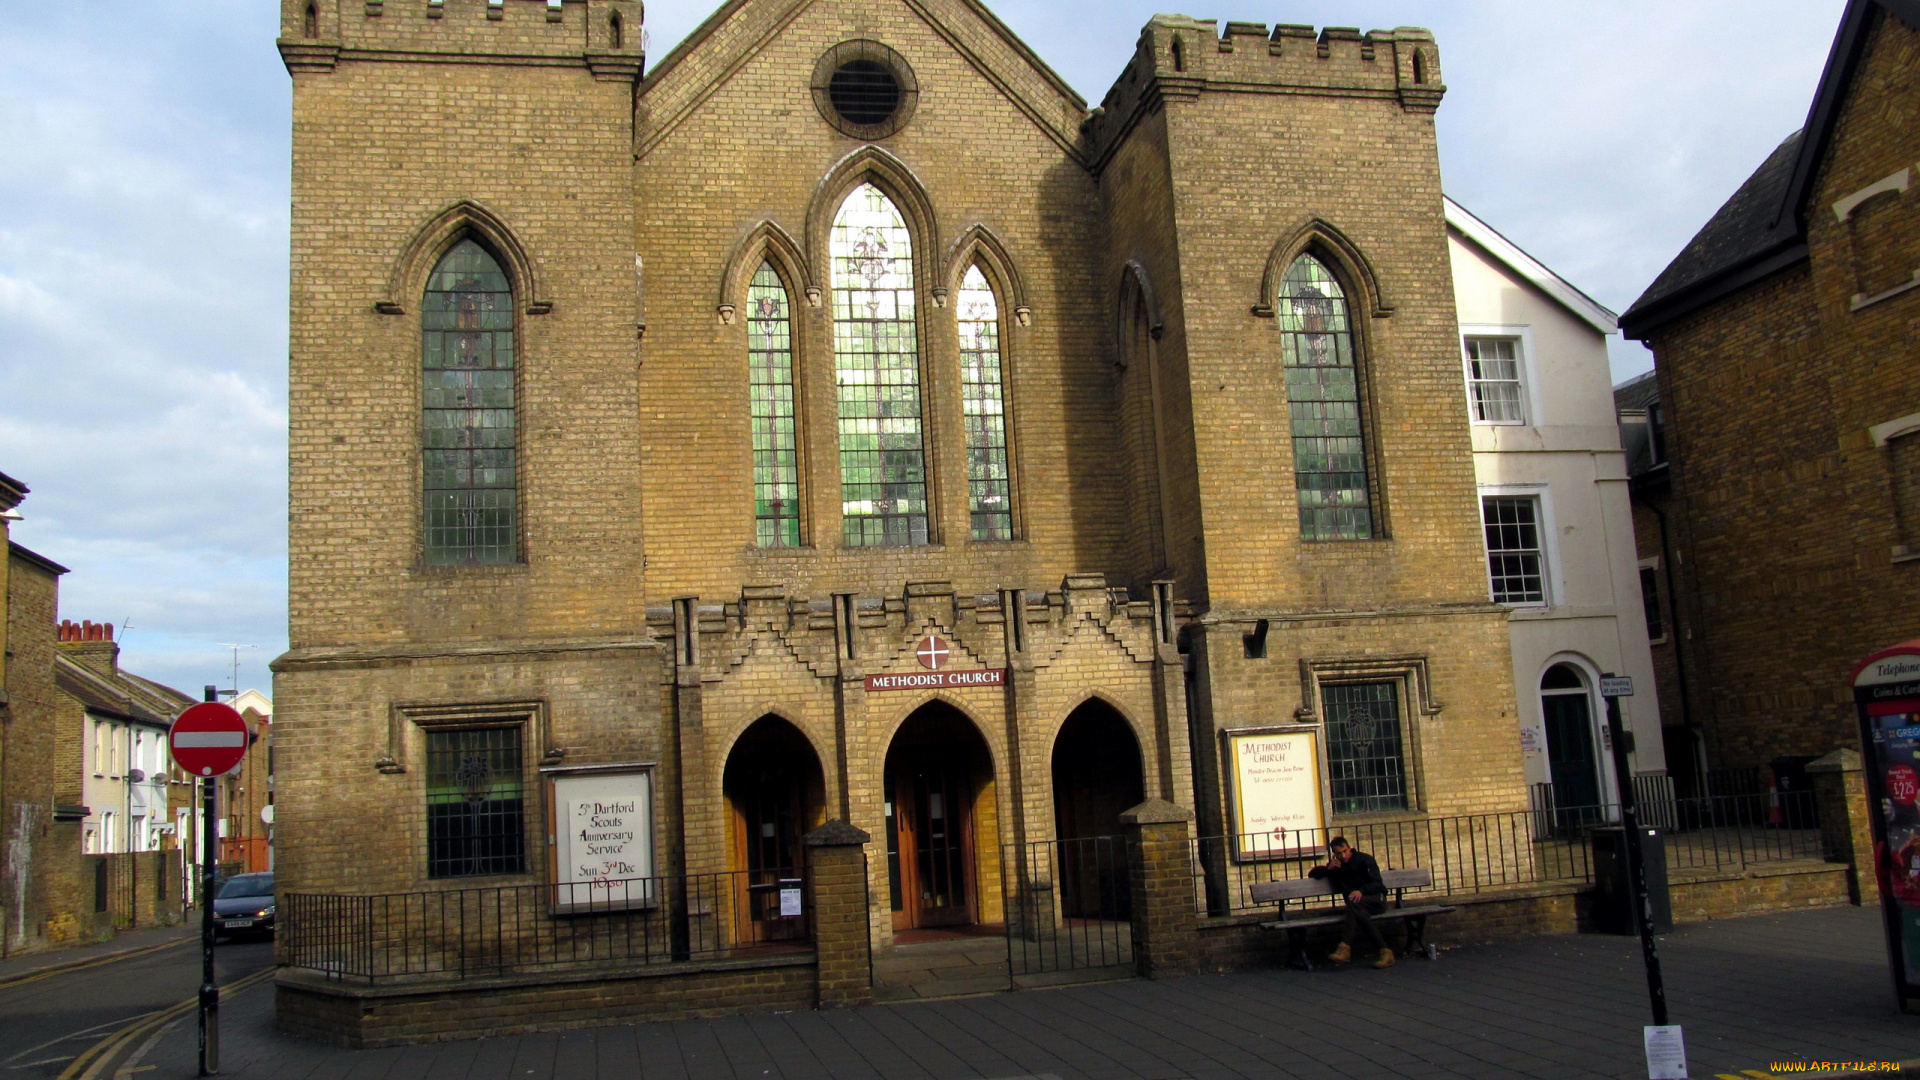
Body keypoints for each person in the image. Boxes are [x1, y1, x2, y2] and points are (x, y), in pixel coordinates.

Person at [1307, 836, 1394, 968]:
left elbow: (1378, 884)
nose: (1343, 855)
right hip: (1357, 906)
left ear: (1349, 848)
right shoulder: (1337, 867)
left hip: (1376, 900)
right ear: (1334, 854)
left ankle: (1345, 947)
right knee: (1359, 913)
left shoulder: (1365, 860)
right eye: (1338, 853)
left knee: (1353, 905)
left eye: (1345, 851)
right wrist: (1327, 869)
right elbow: (1313, 874)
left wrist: (1362, 891)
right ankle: (1385, 951)